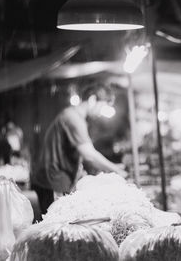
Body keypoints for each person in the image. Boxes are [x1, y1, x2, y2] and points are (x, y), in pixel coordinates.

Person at [31, 83, 129, 216]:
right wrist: (116, 169)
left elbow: (75, 153)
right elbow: (89, 154)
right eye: (102, 107)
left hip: (57, 180)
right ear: (92, 99)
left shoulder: (75, 117)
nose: (101, 113)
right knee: (56, 227)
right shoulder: (72, 118)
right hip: (53, 182)